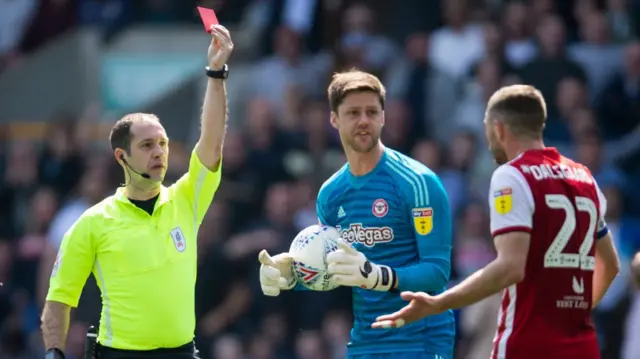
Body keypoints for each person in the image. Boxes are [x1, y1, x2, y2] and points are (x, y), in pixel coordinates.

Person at [371, 85, 622, 359]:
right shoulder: (584, 177)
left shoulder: (511, 176)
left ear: (499, 128)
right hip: (581, 347)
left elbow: (510, 268)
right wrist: (573, 317)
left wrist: (438, 303)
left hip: (528, 345)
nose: (488, 140)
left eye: (487, 129)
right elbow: (609, 265)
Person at [40, 24, 234, 359]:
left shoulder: (186, 200)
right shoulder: (92, 222)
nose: (159, 152)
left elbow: (212, 144)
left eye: (163, 144)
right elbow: (58, 301)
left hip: (182, 353)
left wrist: (216, 73)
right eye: (147, 145)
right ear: (122, 156)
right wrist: (53, 353)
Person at [258, 70, 456, 359]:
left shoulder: (418, 183)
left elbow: (437, 272)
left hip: (420, 340)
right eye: (353, 112)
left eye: (371, 112)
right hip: (366, 341)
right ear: (334, 119)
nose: (364, 120)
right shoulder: (331, 194)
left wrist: (379, 276)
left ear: (383, 117)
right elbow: (332, 273)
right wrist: (291, 274)